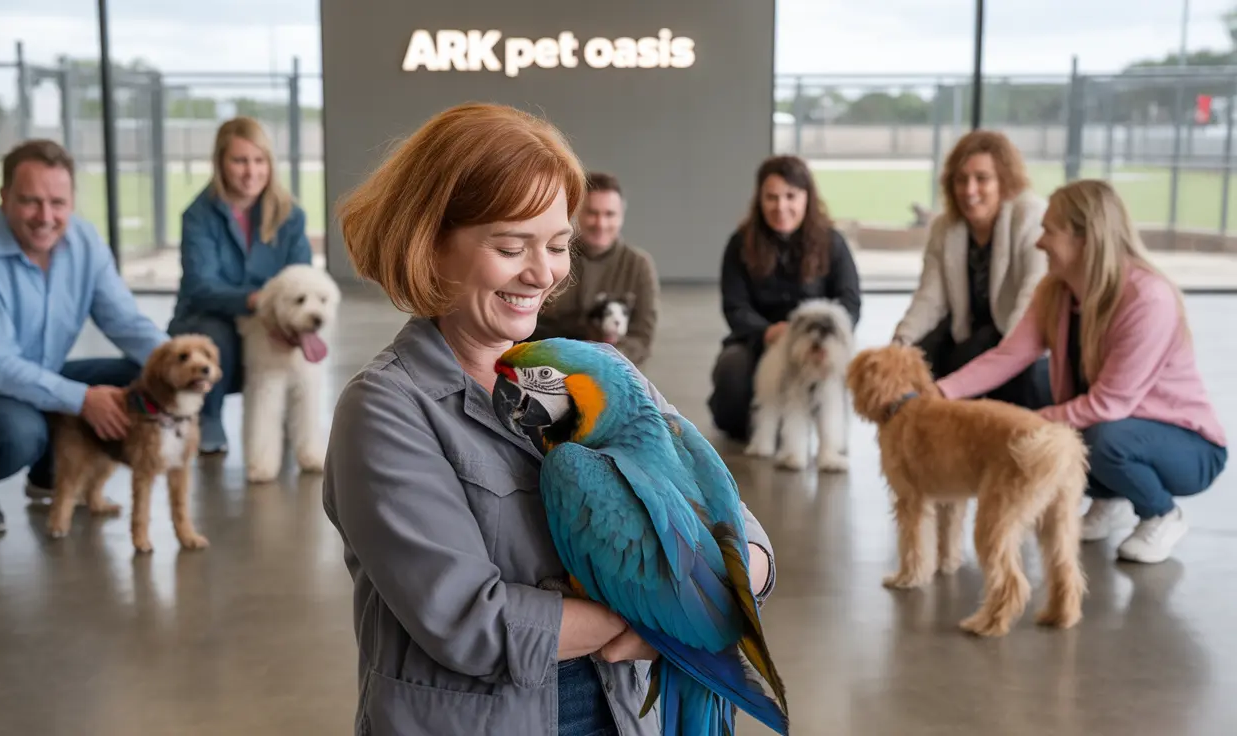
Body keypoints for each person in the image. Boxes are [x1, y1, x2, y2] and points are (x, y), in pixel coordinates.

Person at [322, 102, 777, 735]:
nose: (543, 273)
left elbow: (746, 539)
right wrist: (670, 621)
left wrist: (700, 612)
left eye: (559, 245)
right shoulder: (386, 410)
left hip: (627, 713)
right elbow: (472, 626)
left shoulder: (600, 372)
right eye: (511, 247)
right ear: (430, 246)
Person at [937, 179, 1227, 564]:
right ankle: (1109, 500)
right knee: (1038, 385)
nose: (1039, 242)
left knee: (1101, 438)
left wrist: (1024, 425)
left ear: (1085, 239)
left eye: (1049, 231)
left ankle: (1161, 512)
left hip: (1188, 448)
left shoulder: (1147, 299)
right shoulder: (1055, 290)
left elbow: (1109, 405)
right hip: (1120, 426)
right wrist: (940, 393)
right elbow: (1008, 356)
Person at [0, 139, 167, 534]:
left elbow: (124, 321)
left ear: (72, 201)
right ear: (4, 198)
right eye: (30, 201)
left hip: (37, 371)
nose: (45, 216)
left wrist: (176, 361)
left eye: (58, 203)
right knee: (18, 432)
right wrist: (83, 400)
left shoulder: (84, 243)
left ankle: (48, 472)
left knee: (140, 376)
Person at [168, 116, 314, 454]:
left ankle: (286, 419)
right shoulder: (198, 215)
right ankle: (209, 415)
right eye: (239, 161)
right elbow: (201, 288)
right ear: (220, 163)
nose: (251, 172)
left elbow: (300, 279)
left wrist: (283, 316)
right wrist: (259, 302)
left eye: (258, 160)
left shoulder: (291, 215)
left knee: (301, 328)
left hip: (268, 313)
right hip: (209, 314)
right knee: (216, 337)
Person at [708, 154, 862, 442]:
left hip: (819, 342)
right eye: (772, 197)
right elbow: (735, 306)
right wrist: (768, 332)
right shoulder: (739, 244)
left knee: (831, 379)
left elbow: (850, 301)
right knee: (732, 380)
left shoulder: (833, 243)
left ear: (807, 198)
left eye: (791, 196)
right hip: (760, 341)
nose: (781, 207)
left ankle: (813, 427)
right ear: (760, 199)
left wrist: (826, 338)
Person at [892, 130, 1050, 409]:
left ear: (1005, 180)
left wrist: (1005, 359)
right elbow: (930, 299)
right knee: (916, 358)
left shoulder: (1031, 218)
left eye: (982, 178)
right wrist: (899, 343)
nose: (969, 190)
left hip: (1012, 334)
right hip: (966, 328)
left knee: (970, 355)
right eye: (961, 179)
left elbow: (1030, 302)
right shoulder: (945, 226)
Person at [531, 171, 660, 367]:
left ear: (621, 217)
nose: (601, 223)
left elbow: (642, 340)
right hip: (547, 365)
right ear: (577, 213)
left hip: (611, 370)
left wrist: (597, 361)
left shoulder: (639, 265)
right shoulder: (549, 254)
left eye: (609, 214)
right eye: (592, 212)